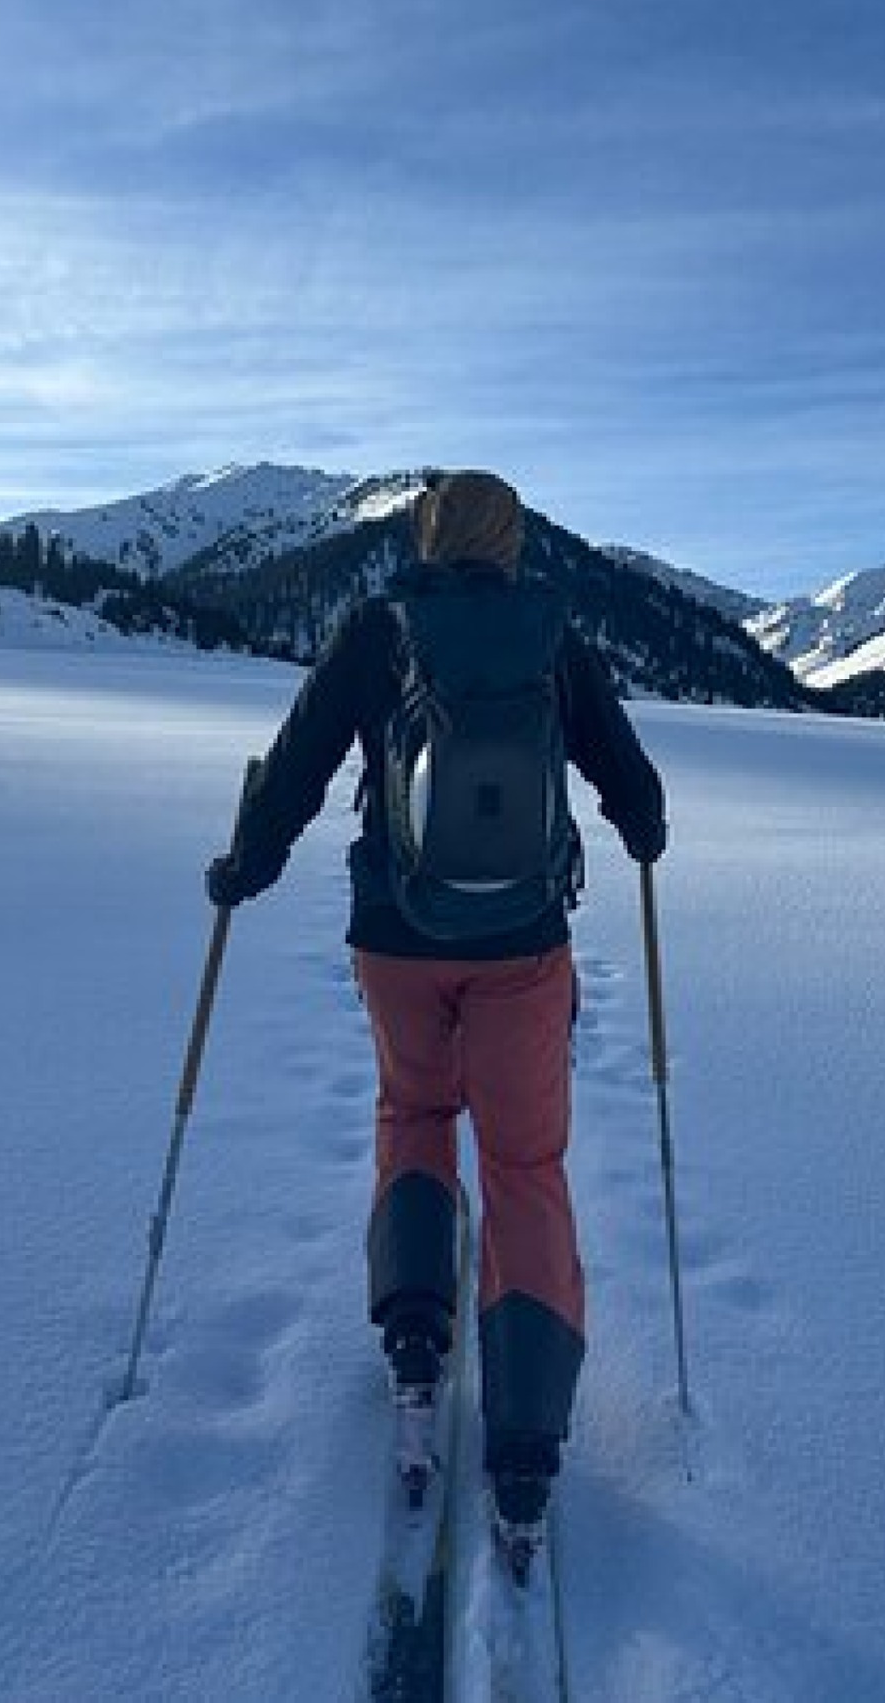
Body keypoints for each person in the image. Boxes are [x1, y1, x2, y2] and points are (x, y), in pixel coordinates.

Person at [205, 470, 666, 1552]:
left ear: (425, 535)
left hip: (396, 940)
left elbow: (295, 770)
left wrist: (244, 867)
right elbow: (632, 791)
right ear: (508, 544)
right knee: (522, 1165)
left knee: (415, 1119)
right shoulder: (552, 635)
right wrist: (642, 835)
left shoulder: (378, 632)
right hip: (521, 948)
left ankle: (415, 1339)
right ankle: (525, 1446)